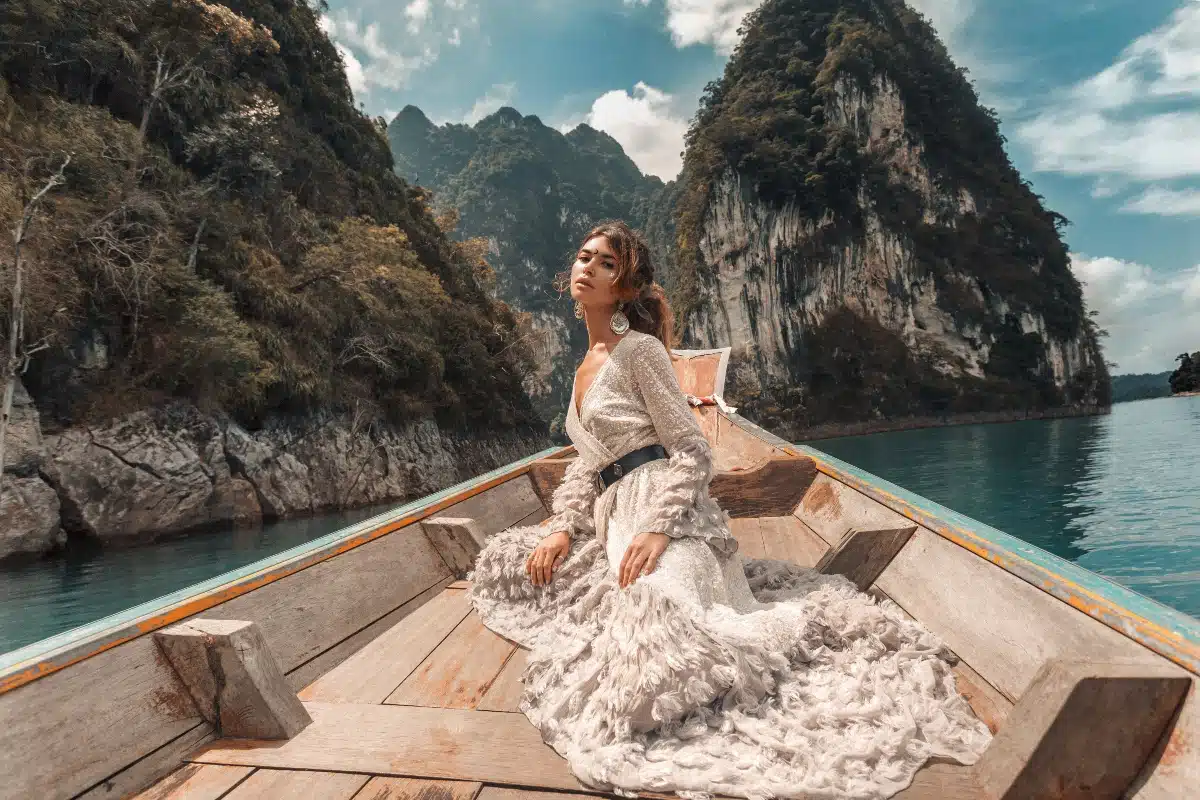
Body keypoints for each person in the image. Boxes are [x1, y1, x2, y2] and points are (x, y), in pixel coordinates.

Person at [467, 221, 991, 800]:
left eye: (606, 263)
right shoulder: (580, 370)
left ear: (625, 286)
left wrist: (659, 529)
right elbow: (585, 466)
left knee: (666, 633)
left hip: (668, 511)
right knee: (513, 563)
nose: (587, 267)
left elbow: (692, 449)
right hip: (613, 513)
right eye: (584, 257)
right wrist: (563, 527)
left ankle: (777, 622)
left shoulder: (639, 352)